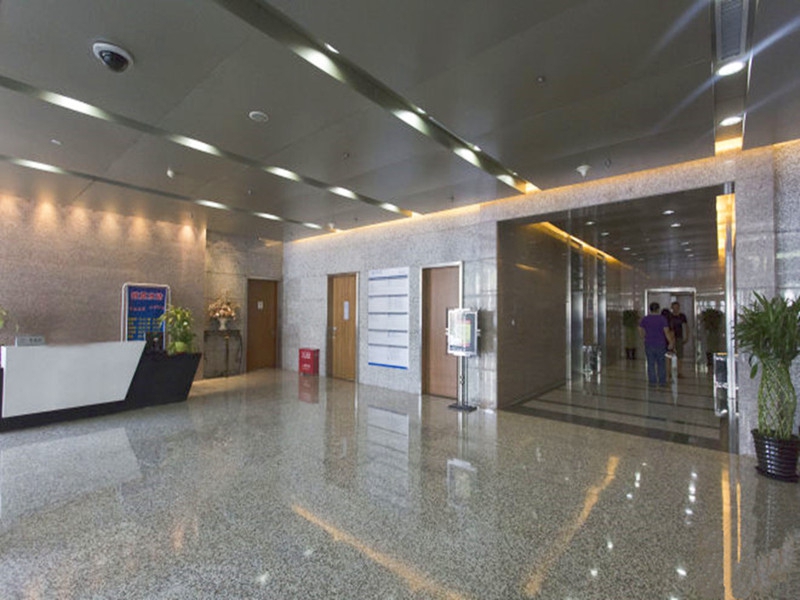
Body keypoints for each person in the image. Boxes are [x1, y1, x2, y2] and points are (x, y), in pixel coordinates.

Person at [639, 302, 675, 386]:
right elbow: (666, 332)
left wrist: (644, 337)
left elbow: (640, 329)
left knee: (651, 364)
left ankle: (652, 382)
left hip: (649, 344)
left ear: (650, 309)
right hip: (660, 344)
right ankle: (662, 382)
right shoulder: (662, 319)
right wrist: (670, 342)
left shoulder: (645, 319)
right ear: (658, 309)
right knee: (661, 364)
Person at [668, 301, 689, 377]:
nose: (675, 309)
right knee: (670, 355)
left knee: (680, 355)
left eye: (677, 307)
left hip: (679, 337)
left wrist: (687, 336)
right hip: (670, 338)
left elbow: (686, 327)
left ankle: (679, 372)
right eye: (674, 307)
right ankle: (669, 371)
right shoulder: (669, 316)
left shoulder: (682, 316)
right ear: (672, 308)